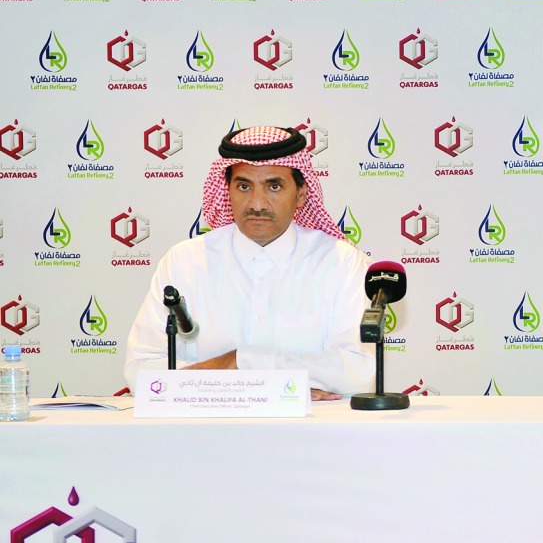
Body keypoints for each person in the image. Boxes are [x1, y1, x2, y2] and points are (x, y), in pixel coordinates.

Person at [124, 125, 373, 400]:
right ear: (227, 191)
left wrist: (241, 362)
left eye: (274, 186)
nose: (256, 204)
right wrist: (273, 384)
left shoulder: (342, 264)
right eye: (244, 186)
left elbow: (359, 372)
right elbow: (141, 369)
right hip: (204, 433)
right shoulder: (184, 262)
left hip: (306, 435)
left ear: (301, 194)